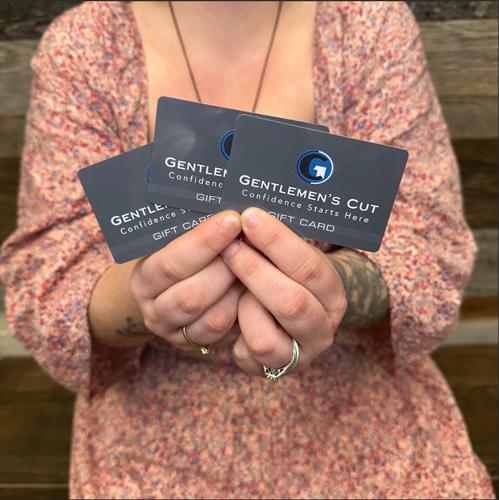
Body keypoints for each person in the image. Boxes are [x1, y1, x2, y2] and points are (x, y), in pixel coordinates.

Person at [0, 1, 494, 498]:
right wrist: (148, 295)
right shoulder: (84, 46)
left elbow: (425, 244)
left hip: (361, 400)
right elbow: (53, 280)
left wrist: (329, 289)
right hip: (150, 423)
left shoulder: (367, 25)